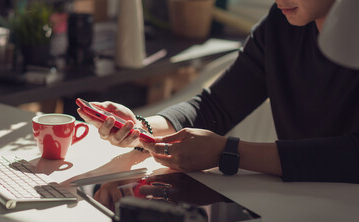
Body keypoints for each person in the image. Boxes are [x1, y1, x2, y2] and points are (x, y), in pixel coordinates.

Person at [78, 0, 359, 183]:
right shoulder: (280, 25)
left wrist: (229, 152)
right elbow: (216, 106)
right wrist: (142, 128)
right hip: (303, 200)